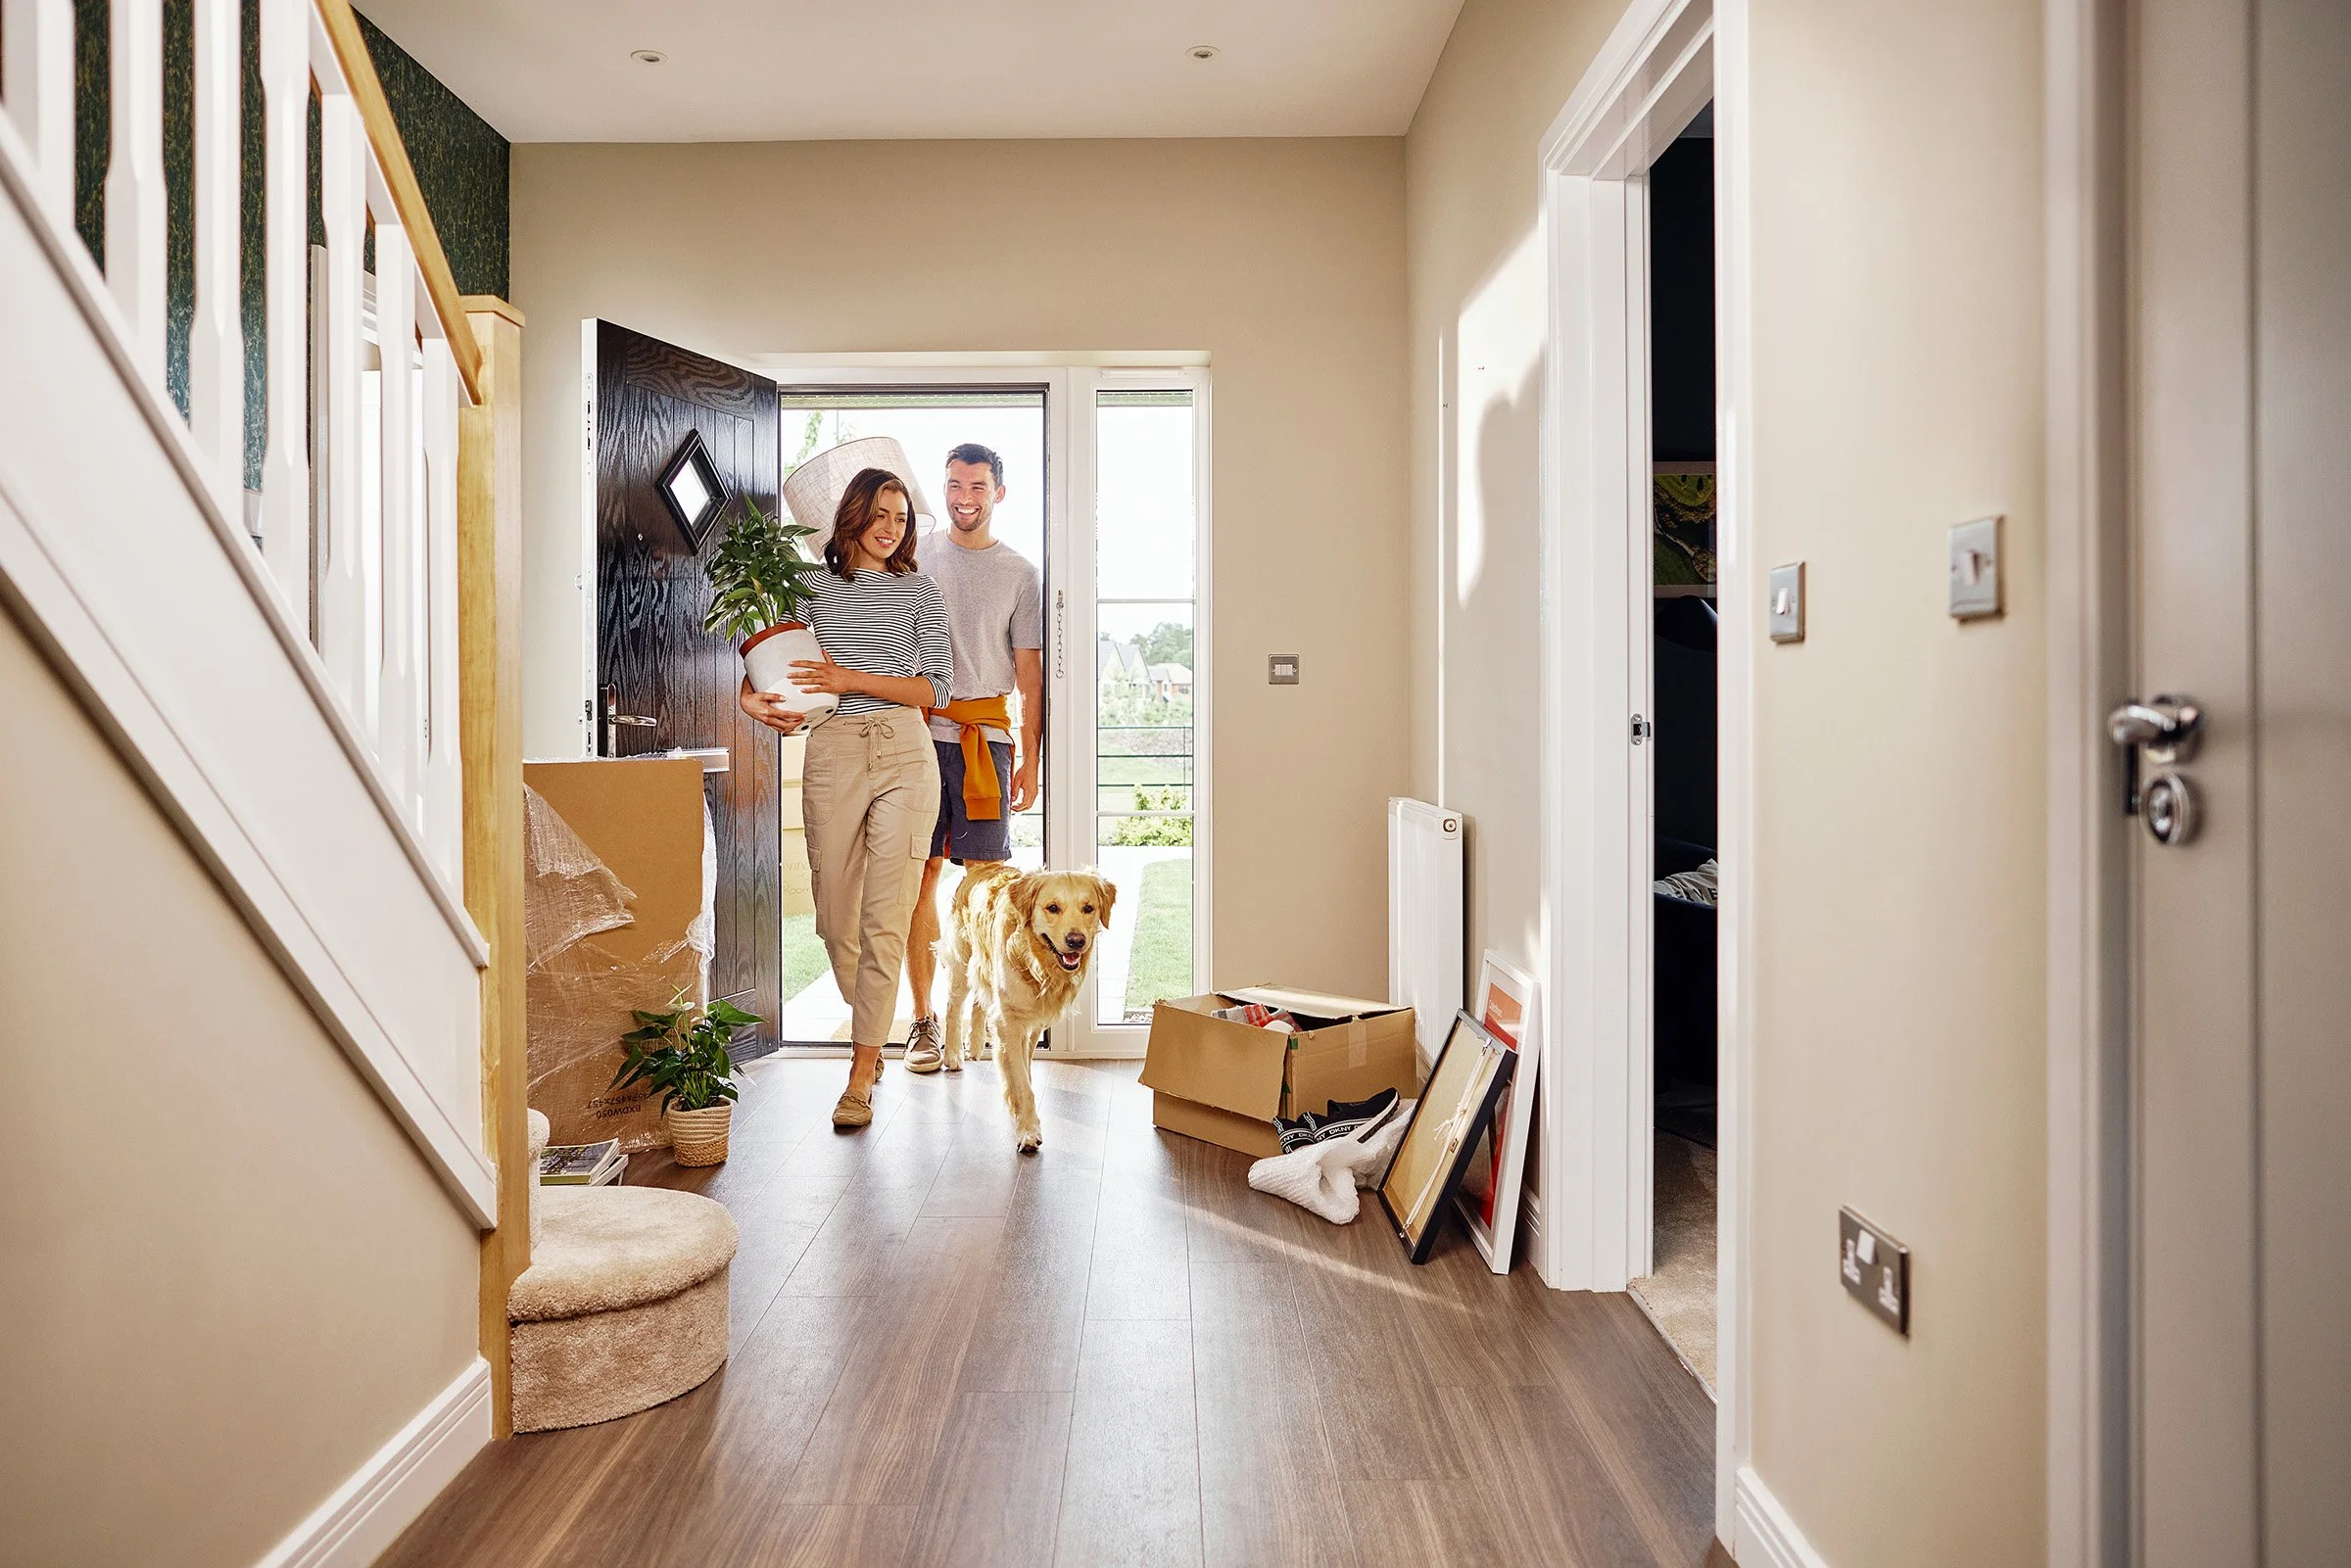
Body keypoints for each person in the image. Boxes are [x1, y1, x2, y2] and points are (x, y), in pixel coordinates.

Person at [739, 468, 950, 1129]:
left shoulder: (920, 590)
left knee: (886, 917)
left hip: (905, 753)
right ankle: (874, 1034)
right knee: (835, 917)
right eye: (880, 513)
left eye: (902, 516)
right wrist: (751, 699)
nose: (892, 528)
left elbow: (936, 689)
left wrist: (849, 676)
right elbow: (760, 661)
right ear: (852, 515)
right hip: (831, 748)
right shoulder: (808, 585)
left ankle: (861, 1069)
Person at [902, 443, 1044, 1073]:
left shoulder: (1020, 573)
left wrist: (1030, 758)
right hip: (917, 735)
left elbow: (1031, 678)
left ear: (998, 494)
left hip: (987, 740)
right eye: (955, 485)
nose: (965, 497)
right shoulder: (917, 552)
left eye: (977, 486)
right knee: (920, 876)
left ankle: (983, 1009)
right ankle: (924, 1023)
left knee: (986, 884)